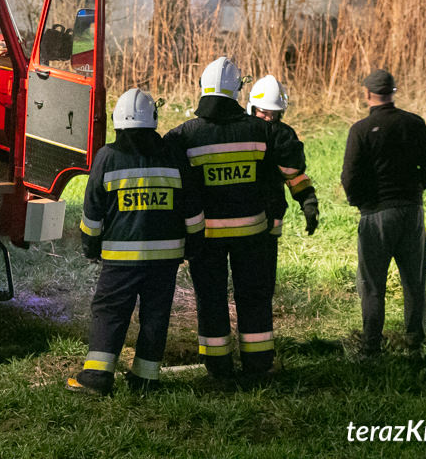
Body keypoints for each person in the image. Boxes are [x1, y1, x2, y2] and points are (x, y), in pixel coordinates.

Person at [164, 58, 307, 382]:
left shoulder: (184, 135)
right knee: (254, 296)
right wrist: (306, 199)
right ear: (237, 91)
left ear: (203, 88)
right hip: (253, 235)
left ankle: (218, 367)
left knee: (211, 298)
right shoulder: (261, 130)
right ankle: (258, 364)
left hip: (205, 238)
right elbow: (287, 162)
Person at [67, 88, 204, 396]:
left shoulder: (107, 158)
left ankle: (97, 378)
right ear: (152, 120)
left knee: (109, 311)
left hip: (120, 259)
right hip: (166, 259)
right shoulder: (172, 156)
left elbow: (92, 214)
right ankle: (145, 378)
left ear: (117, 122)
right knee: (156, 315)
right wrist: (193, 246)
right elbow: (193, 209)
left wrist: (90, 248)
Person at [341, 69, 426, 357]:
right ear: (393, 91)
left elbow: (350, 175)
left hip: (375, 215)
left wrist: (361, 202)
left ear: (366, 94)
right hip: (411, 212)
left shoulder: (360, 130)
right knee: (414, 280)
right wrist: (414, 190)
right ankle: (414, 344)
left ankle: (371, 347)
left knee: (372, 283)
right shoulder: (414, 123)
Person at [246, 75, 319, 276]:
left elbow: (294, 174)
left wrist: (309, 201)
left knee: (264, 278)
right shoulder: (240, 133)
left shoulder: (283, 135)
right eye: (264, 113)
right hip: (244, 216)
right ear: (252, 107)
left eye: (274, 114)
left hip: (271, 215)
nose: (269, 118)